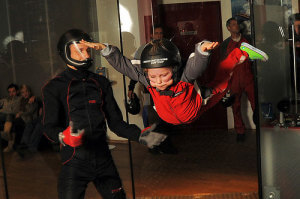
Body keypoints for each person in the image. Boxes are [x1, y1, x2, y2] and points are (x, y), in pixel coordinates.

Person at [42, 29, 167, 199]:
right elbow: (48, 127)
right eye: (79, 50)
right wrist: (63, 136)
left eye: (87, 49)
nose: (85, 54)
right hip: (74, 161)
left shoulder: (100, 82)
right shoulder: (54, 87)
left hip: (103, 159)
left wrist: (141, 136)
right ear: (65, 53)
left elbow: (116, 124)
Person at [81, 38, 268, 126]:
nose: (158, 81)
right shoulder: (147, 80)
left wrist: (202, 50)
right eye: (153, 77)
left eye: (163, 75)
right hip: (172, 116)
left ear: (175, 70)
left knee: (222, 80)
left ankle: (241, 53)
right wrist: (106, 50)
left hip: (197, 105)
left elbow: (197, 66)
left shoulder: (183, 79)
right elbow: (124, 66)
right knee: (218, 87)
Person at [128, 24, 178, 154]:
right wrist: (131, 88)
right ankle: (153, 146)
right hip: (149, 90)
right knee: (151, 117)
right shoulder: (143, 50)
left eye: (161, 33)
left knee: (166, 118)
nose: (159, 35)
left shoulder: (167, 48)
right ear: (151, 35)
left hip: (166, 90)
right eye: (156, 33)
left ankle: (165, 145)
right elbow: (135, 71)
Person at [219, 17, 255, 142]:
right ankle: (240, 131)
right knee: (236, 106)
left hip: (248, 77)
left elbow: (256, 57)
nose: (236, 26)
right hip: (234, 79)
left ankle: (261, 129)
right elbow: (222, 64)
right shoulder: (225, 45)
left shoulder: (249, 40)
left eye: (237, 24)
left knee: (255, 105)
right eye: (233, 24)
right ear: (228, 28)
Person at [0, 84, 21, 149]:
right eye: (10, 92)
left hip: (12, 115)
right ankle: (6, 135)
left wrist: (1, 110)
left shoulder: (19, 99)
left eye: (13, 91)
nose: (11, 94)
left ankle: (6, 133)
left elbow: (13, 111)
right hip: (3, 115)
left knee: (9, 115)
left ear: (17, 91)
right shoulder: (5, 99)